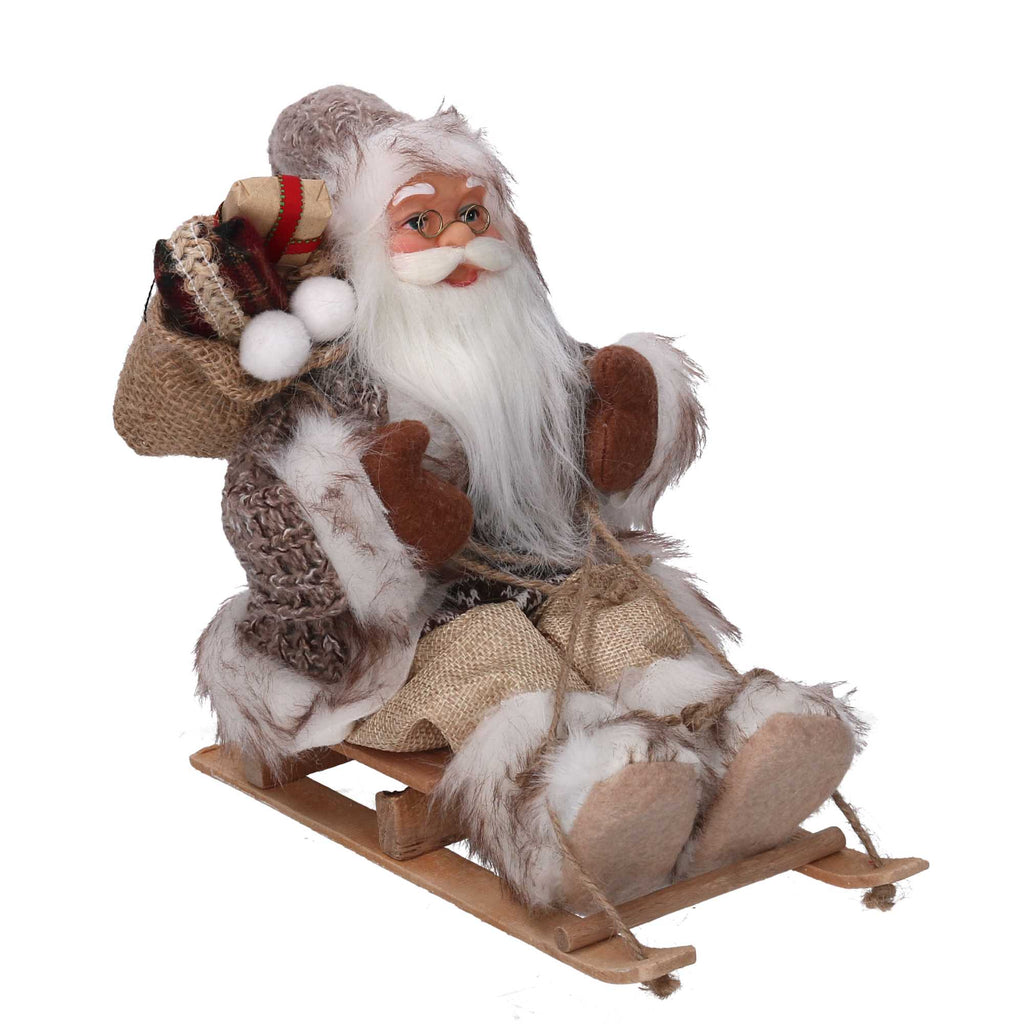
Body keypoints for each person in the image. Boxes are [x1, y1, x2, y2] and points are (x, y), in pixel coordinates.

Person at [194, 85, 863, 912]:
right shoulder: (332, 394)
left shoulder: (523, 345)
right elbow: (270, 514)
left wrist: (626, 420)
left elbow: (590, 438)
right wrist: (386, 524)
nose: (460, 242)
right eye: (421, 221)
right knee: (498, 668)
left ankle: (743, 740)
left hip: (549, 576)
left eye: (473, 214)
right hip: (417, 630)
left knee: (627, 622)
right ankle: (574, 810)